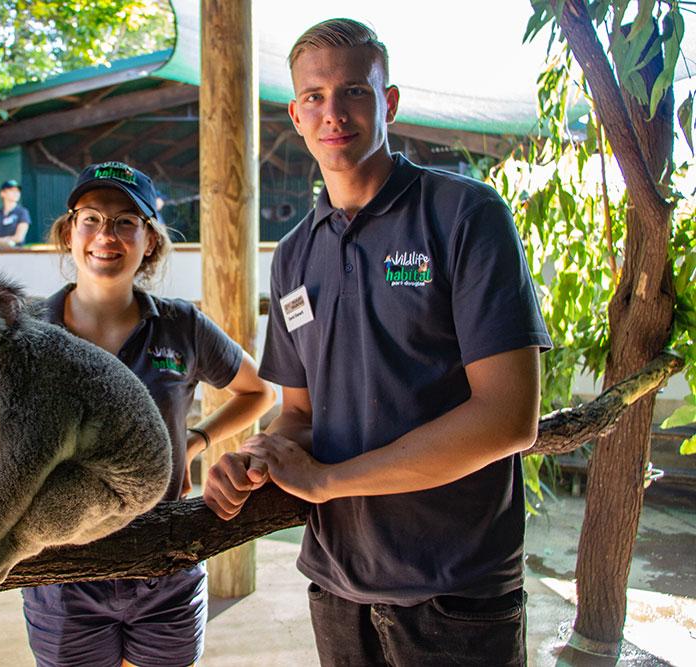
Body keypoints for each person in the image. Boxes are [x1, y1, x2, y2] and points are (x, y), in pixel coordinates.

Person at [202, 19, 552, 666]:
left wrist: (330, 480)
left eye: (353, 92)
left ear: (387, 102)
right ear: (296, 115)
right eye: (314, 97)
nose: (333, 112)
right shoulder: (296, 255)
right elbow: (302, 413)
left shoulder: (464, 215)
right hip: (338, 584)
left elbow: (508, 417)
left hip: (456, 587)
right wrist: (260, 452)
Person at [22, 160, 275, 667]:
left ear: (150, 240)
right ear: (69, 233)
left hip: (166, 560)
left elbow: (258, 393)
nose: (105, 235)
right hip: (62, 568)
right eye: (90, 218)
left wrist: (198, 440)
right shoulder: (28, 330)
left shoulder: (180, 326)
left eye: (124, 222)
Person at [0, 179, 31, 247]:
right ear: (2, 193)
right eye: (12, 190)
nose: (16, 193)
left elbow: (19, 238)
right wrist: (6, 241)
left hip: (17, 253)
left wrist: (0, 241)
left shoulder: (23, 212)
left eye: (18, 191)